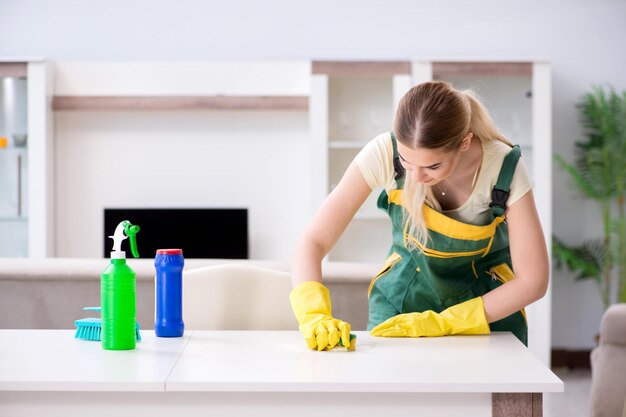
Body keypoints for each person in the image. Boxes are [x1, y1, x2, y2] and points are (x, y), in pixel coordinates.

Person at [289, 81, 549, 351]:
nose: (416, 177)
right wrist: (313, 315)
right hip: (401, 300)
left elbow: (533, 280)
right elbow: (313, 241)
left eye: (432, 166)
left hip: (486, 307)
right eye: (405, 162)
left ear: (464, 143)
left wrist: (445, 323)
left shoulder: (502, 167)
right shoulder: (383, 152)